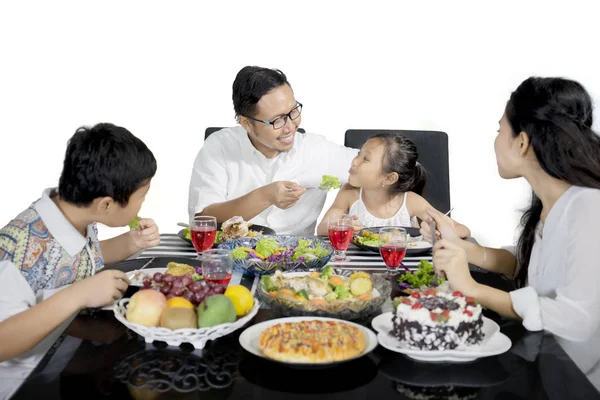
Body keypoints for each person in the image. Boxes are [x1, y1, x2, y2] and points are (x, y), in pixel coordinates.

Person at [423, 77, 600, 389]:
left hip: (575, 380)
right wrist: (465, 249)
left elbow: (577, 320)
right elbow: (531, 264)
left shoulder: (589, 206)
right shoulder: (553, 202)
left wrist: (473, 289)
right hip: (542, 362)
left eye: (499, 130)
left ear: (521, 142)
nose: (494, 140)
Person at [0, 123, 160, 368]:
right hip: (23, 383)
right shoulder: (16, 250)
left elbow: (77, 259)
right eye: (142, 196)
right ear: (106, 204)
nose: (143, 203)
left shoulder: (76, 212)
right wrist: (79, 295)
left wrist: (131, 242)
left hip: (68, 357)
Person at [188, 66, 358, 236]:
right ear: (246, 123)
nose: (290, 127)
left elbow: (379, 168)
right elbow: (203, 219)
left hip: (299, 258)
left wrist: (342, 206)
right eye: (277, 120)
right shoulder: (220, 147)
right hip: (230, 255)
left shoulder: (316, 150)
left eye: (293, 111)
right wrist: (265, 196)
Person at [317, 133, 471, 237]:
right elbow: (322, 228)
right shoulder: (349, 193)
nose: (354, 161)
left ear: (389, 178)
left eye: (365, 159)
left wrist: (439, 232)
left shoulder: (410, 201)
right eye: (359, 154)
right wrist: (342, 225)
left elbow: (463, 230)